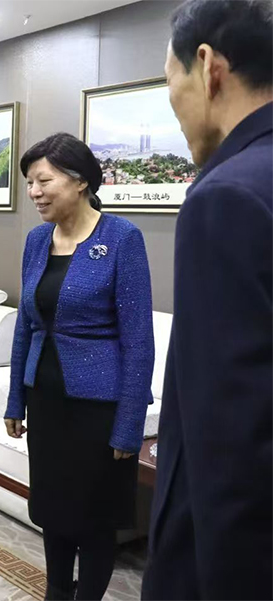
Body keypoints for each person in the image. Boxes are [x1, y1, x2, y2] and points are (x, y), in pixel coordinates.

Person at [142, 1, 272, 599]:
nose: (173, 106)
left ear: (208, 66)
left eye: (170, 83)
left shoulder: (228, 196)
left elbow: (231, 439)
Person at [4, 133, 154, 601]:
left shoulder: (121, 238)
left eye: (43, 181)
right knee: (53, 510)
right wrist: (15, 399)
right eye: (30, 183)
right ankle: (55, 593)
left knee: (94, 519)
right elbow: (26, 326)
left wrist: (129, 426)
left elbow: (139, 341)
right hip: (46, 399)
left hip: (98, 408)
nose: (34, 193)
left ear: (80, 180)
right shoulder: (36, 240)